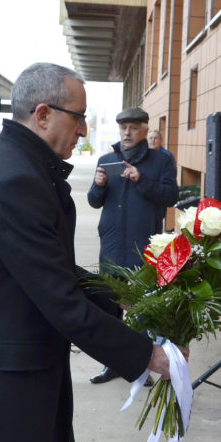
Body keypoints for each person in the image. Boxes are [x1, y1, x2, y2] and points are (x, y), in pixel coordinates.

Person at [0, 62, 179, 442]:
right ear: (43, 114)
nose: (84, 131)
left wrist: (127, 296)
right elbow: (60, 299)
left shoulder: (20, 166)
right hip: (8, 396)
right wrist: (147, 355)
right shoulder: (14, 180)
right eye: (79, 116)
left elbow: (54, 270)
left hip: (23, 383)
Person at [87, 108, 179, 385]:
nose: (127, 133)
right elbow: (94, 201)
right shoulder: (107, 159)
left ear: (143, 129)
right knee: (109, 310)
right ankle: (112, 365)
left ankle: (140, 367)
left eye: (133, 128)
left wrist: (142, 180)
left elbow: (171, 196)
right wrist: (98, 186)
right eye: (123, 128)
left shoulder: (160, 161)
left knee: (141, 310)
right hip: (112, 247)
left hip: (143, 248)